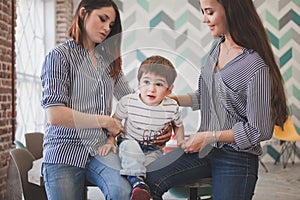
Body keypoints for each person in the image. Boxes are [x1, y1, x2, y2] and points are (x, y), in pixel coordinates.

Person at [146, 0, 289, 200]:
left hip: (237, 158)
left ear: (231, 10)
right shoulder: (217, 47)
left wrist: (208, 136)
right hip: (205, 150)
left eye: (209, 12)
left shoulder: (255, 66)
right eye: (203, 12)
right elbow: (205, 96)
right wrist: (171, 100)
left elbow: (260, 130)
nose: (204, 19)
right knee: (148, 178)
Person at [40, 1, 171, 199]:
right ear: (84, 13)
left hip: (101, 149)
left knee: (123, 191)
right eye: (102, 19)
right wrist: (105, 121)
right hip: (63, 151)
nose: (106, 28)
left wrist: (163, 117)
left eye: (111, 25)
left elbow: (136, 99)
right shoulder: (59, 57)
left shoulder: (108, 62)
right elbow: (55, 115)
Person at [98, 55, 185, 200]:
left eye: (159, 84)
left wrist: (181, 142)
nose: (151, 89)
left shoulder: (171, 106)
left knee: (152, 172)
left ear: (169, 90)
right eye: (146, 82)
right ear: (138, 84)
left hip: (153, 149)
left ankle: (142, 190)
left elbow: (178, 125)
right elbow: (116, 121)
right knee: (130, 150)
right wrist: (111, 140)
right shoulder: (128, 102)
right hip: (129, 143)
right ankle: (137, 182)